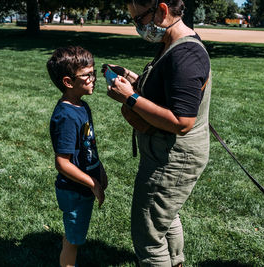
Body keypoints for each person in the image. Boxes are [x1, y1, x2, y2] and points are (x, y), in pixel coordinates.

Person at [102, 0, 211, 266]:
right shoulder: (172, 46)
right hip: (164, 153)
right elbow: (168, 90)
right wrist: (131, 78)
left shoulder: (186, 54)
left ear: (162, 10)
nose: (139, 26)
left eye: (139, 19)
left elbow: (181, 121)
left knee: (148, 236)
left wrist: (130, 99)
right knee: (165, 217)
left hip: (172, 158)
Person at [47, 46, 107, 267]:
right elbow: (62, 163)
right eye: (87, 75)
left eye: (93, 73)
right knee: (73, 241)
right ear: (68, 82)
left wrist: (99, 169)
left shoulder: (82, 106)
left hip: (83, 186)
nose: (93, 79)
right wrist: (92, 183)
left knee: (74, 233)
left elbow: (88, 145)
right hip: (74, 190)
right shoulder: (66, 117)